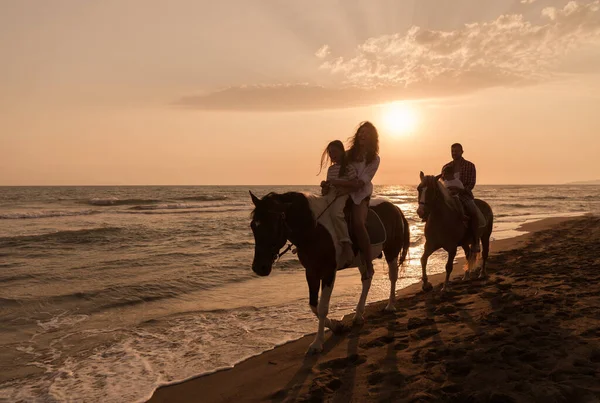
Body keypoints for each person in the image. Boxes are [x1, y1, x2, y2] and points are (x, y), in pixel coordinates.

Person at [346, 121, 381, 280]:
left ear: (372, 137)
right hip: (344, 192)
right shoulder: (348, 155)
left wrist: (353, 184)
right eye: (360, 132)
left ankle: (368, 263)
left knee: (358, 223)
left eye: (366, 133)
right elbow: (340, 171)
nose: (362, 135)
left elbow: (364, 179)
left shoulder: (374, 159)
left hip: (361, 195)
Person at [319, 140, 357, 269]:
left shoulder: (348, 168)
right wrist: (325, 186)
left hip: (342, 194)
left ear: (341, 151)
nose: (332, 155)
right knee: (318, 211)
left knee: (336, 213)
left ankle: (346, 244)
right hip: (331, 193)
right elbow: (328, 187)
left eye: (334, 152)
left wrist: (339, 183)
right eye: (330, 153)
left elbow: (354, 183)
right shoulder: (331, 169)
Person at [441, 143, 480, 252]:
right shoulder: (446, 167)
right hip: (449, 196)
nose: (454, 153)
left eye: (456, 151)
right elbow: (443, 182)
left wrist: (459, 190)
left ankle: (476, 241)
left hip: (464, 195)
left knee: (473, 212)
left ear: (462, 151)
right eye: (452, 151)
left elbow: (471, 183)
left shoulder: (470, 165)